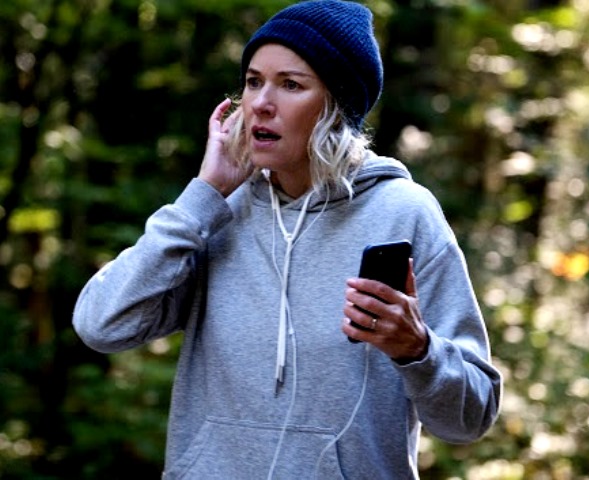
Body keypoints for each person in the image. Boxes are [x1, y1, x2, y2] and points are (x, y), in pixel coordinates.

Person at [73, 1, 503, 478]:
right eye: (253, 81)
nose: (261, 102)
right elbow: (101, 325)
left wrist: (417, 349)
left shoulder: (403, 213)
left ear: (337, 107)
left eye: (291, 84)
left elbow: (471, 417)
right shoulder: (218, 212)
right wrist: (202, 196)